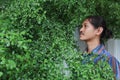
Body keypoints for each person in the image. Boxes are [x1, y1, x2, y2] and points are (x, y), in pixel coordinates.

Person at [79, 15, 120, 79]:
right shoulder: (80, 58)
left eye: (85, 26)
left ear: (98, 31)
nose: (81, 29)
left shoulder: (109, 59)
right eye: (82, 26)